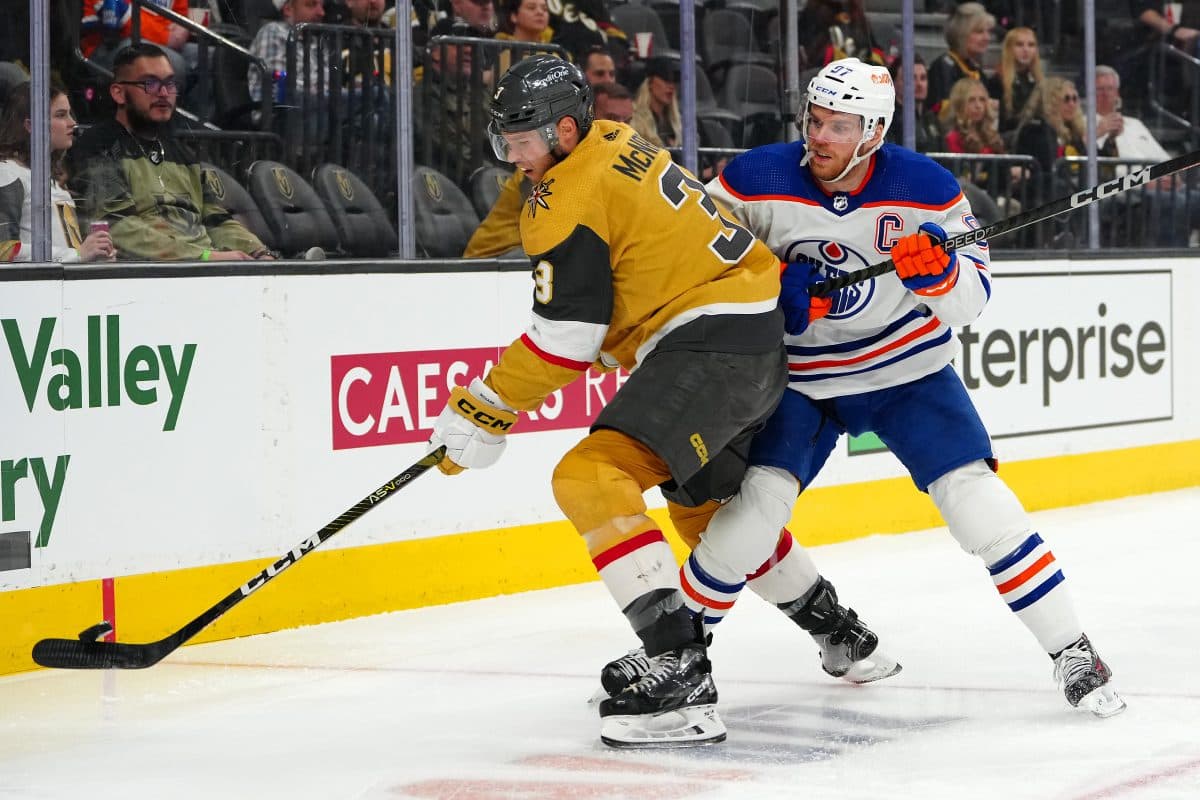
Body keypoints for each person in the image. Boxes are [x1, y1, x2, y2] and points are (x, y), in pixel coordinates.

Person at [670, 57, 1122, 719]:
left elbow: (970, 303)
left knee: (978, 502)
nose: (819, 136)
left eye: (838, 125)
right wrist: (770, 286)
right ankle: (673, 657)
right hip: (804, 381)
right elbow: (692, 258)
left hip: (906, 372)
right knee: (752, 514)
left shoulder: (927, 189)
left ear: (874, 131)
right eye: (814, 119)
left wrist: (938, 276)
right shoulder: (754, 178)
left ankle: (1074, 650)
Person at [431, 54, 788, 748]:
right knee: (705, 506)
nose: (515, 160)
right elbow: (631, 277)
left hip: (711, 340)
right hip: (745, 331)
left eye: (523, 141)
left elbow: (565, 338)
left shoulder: (564, 194)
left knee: (589, 477)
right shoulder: (615, 140)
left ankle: (682, 674)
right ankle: (840, 629)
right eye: (505, 143)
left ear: (564, 129)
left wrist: (484, 405)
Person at [68, 44, 274, 261]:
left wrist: (260, 253)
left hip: (206, 268)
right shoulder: (98, 147)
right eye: (151, 83)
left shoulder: (183, 153)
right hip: (151, 276)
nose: (164, 93)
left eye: (169, 83)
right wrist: (205, 256)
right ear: (118, 93)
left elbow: (216, 219)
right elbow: (119, 230)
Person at [463, 78, 630, 259]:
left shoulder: (587, 159)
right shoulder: (547, 163)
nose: (622, 126)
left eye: (628, 120)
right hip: (493, 264)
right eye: (612, 118)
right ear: (588, 115)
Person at [0, 82, 115, 263]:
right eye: (61, 115)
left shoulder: (53, 180)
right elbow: (3, 249)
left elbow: (72, 254)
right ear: (31, 125)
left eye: (69, 114)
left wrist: (93, 257)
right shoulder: (7, 173)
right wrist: (77, 255)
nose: (72, 123)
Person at [927, 2, 996, 114]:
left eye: (988, 32)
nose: (987, 38)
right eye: (979, 32)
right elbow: (943, 112)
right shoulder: (944, 68)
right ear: (962, 34)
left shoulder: (978, 72)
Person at [986, 26, 1043, 137]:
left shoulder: (1038, 83)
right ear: (1009, 49)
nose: (1026, 50)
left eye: (1031, 45)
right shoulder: (996, 82)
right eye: (1019, 45)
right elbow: (994, 127)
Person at [798, 0, 886, 69]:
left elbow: (874, 50)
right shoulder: (813, 12)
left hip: (858, 78)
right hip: (826, 78)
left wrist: (871, 65)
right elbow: (808, 55)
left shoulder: (855, 13)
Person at [886, 54, 943, 152]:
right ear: (893, 84)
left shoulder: (931, 118)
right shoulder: (889, 120)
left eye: (923, 78)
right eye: (911, 78)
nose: (919, 84)